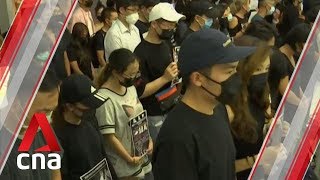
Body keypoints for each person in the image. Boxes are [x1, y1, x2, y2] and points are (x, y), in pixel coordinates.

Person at [152, 29, 256, 180]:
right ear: (198, 79)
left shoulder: (218, 109)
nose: (236, 78)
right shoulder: (177, 140)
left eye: (236, 70)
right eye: (228, 72)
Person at [96, 49, 153, 179]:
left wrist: (148, 140)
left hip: (142, 157)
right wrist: (129, 158)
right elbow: (109, 137)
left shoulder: (131, 88)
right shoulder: (104, 99)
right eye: (130, 75)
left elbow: (140, 119)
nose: (134, 78)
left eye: (136, 73)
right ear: (116, 73)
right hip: (125, 165)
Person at [134, 2, 184, 142]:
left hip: (172, 105)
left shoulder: (166, 43)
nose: (171, 29)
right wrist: (165, 78)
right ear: (154, 24)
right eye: (167, 24)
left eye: (173, 25)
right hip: (155, 114)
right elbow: (140, 92)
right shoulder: (140, 53)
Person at [52, 74, 117, 180]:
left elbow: (103, 156)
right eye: (87, 105)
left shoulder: (90, 121)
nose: (92, 108)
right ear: (69, 106)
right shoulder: (56, 136)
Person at [0, 69, 61, 180]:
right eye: (44, 111)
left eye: (52, 110)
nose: (49, 119)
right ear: (15, 105)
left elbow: (55, 167)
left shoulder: (42, 124)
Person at [231, 36, 273, 180]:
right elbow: (218, 167)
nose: (263, 74)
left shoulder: (258, 93)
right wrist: (256, 160)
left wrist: (271, 127)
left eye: (267, 68)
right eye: (257, 69)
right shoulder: (227, 106)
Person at [269, 23, 310, 115]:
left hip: (293, 105)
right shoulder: (281, 60)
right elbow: (284, 91)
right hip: (284, 111)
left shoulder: (294, 56)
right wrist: (300, 103)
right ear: (297, 43)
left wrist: (302, 96)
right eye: (306, 45)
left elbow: (295, 82)